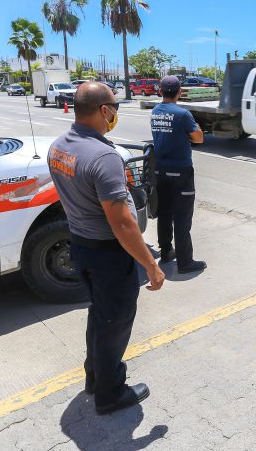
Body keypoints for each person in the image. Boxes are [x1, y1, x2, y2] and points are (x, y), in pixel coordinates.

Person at [47, 81, 165, 416]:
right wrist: (151, 265)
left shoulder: (59, 147)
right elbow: (123, 223)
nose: (115, 113)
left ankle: (95, 379)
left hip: (81, 245)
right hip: (107, 256)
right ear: (103, 110)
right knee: (115, 322)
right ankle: (110, 394)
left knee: (100, 316)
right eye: (114, 106)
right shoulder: (103, 156)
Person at [150, 75, 206, 274]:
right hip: (181, 172)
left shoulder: (155, 112)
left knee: (165, 212)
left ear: (160, 91)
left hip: (160, 170)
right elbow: (198, 138)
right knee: (182, 216)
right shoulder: (183, 114)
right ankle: (185, 262)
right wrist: (197, 130)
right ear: (180, 92)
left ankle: (166, 251)